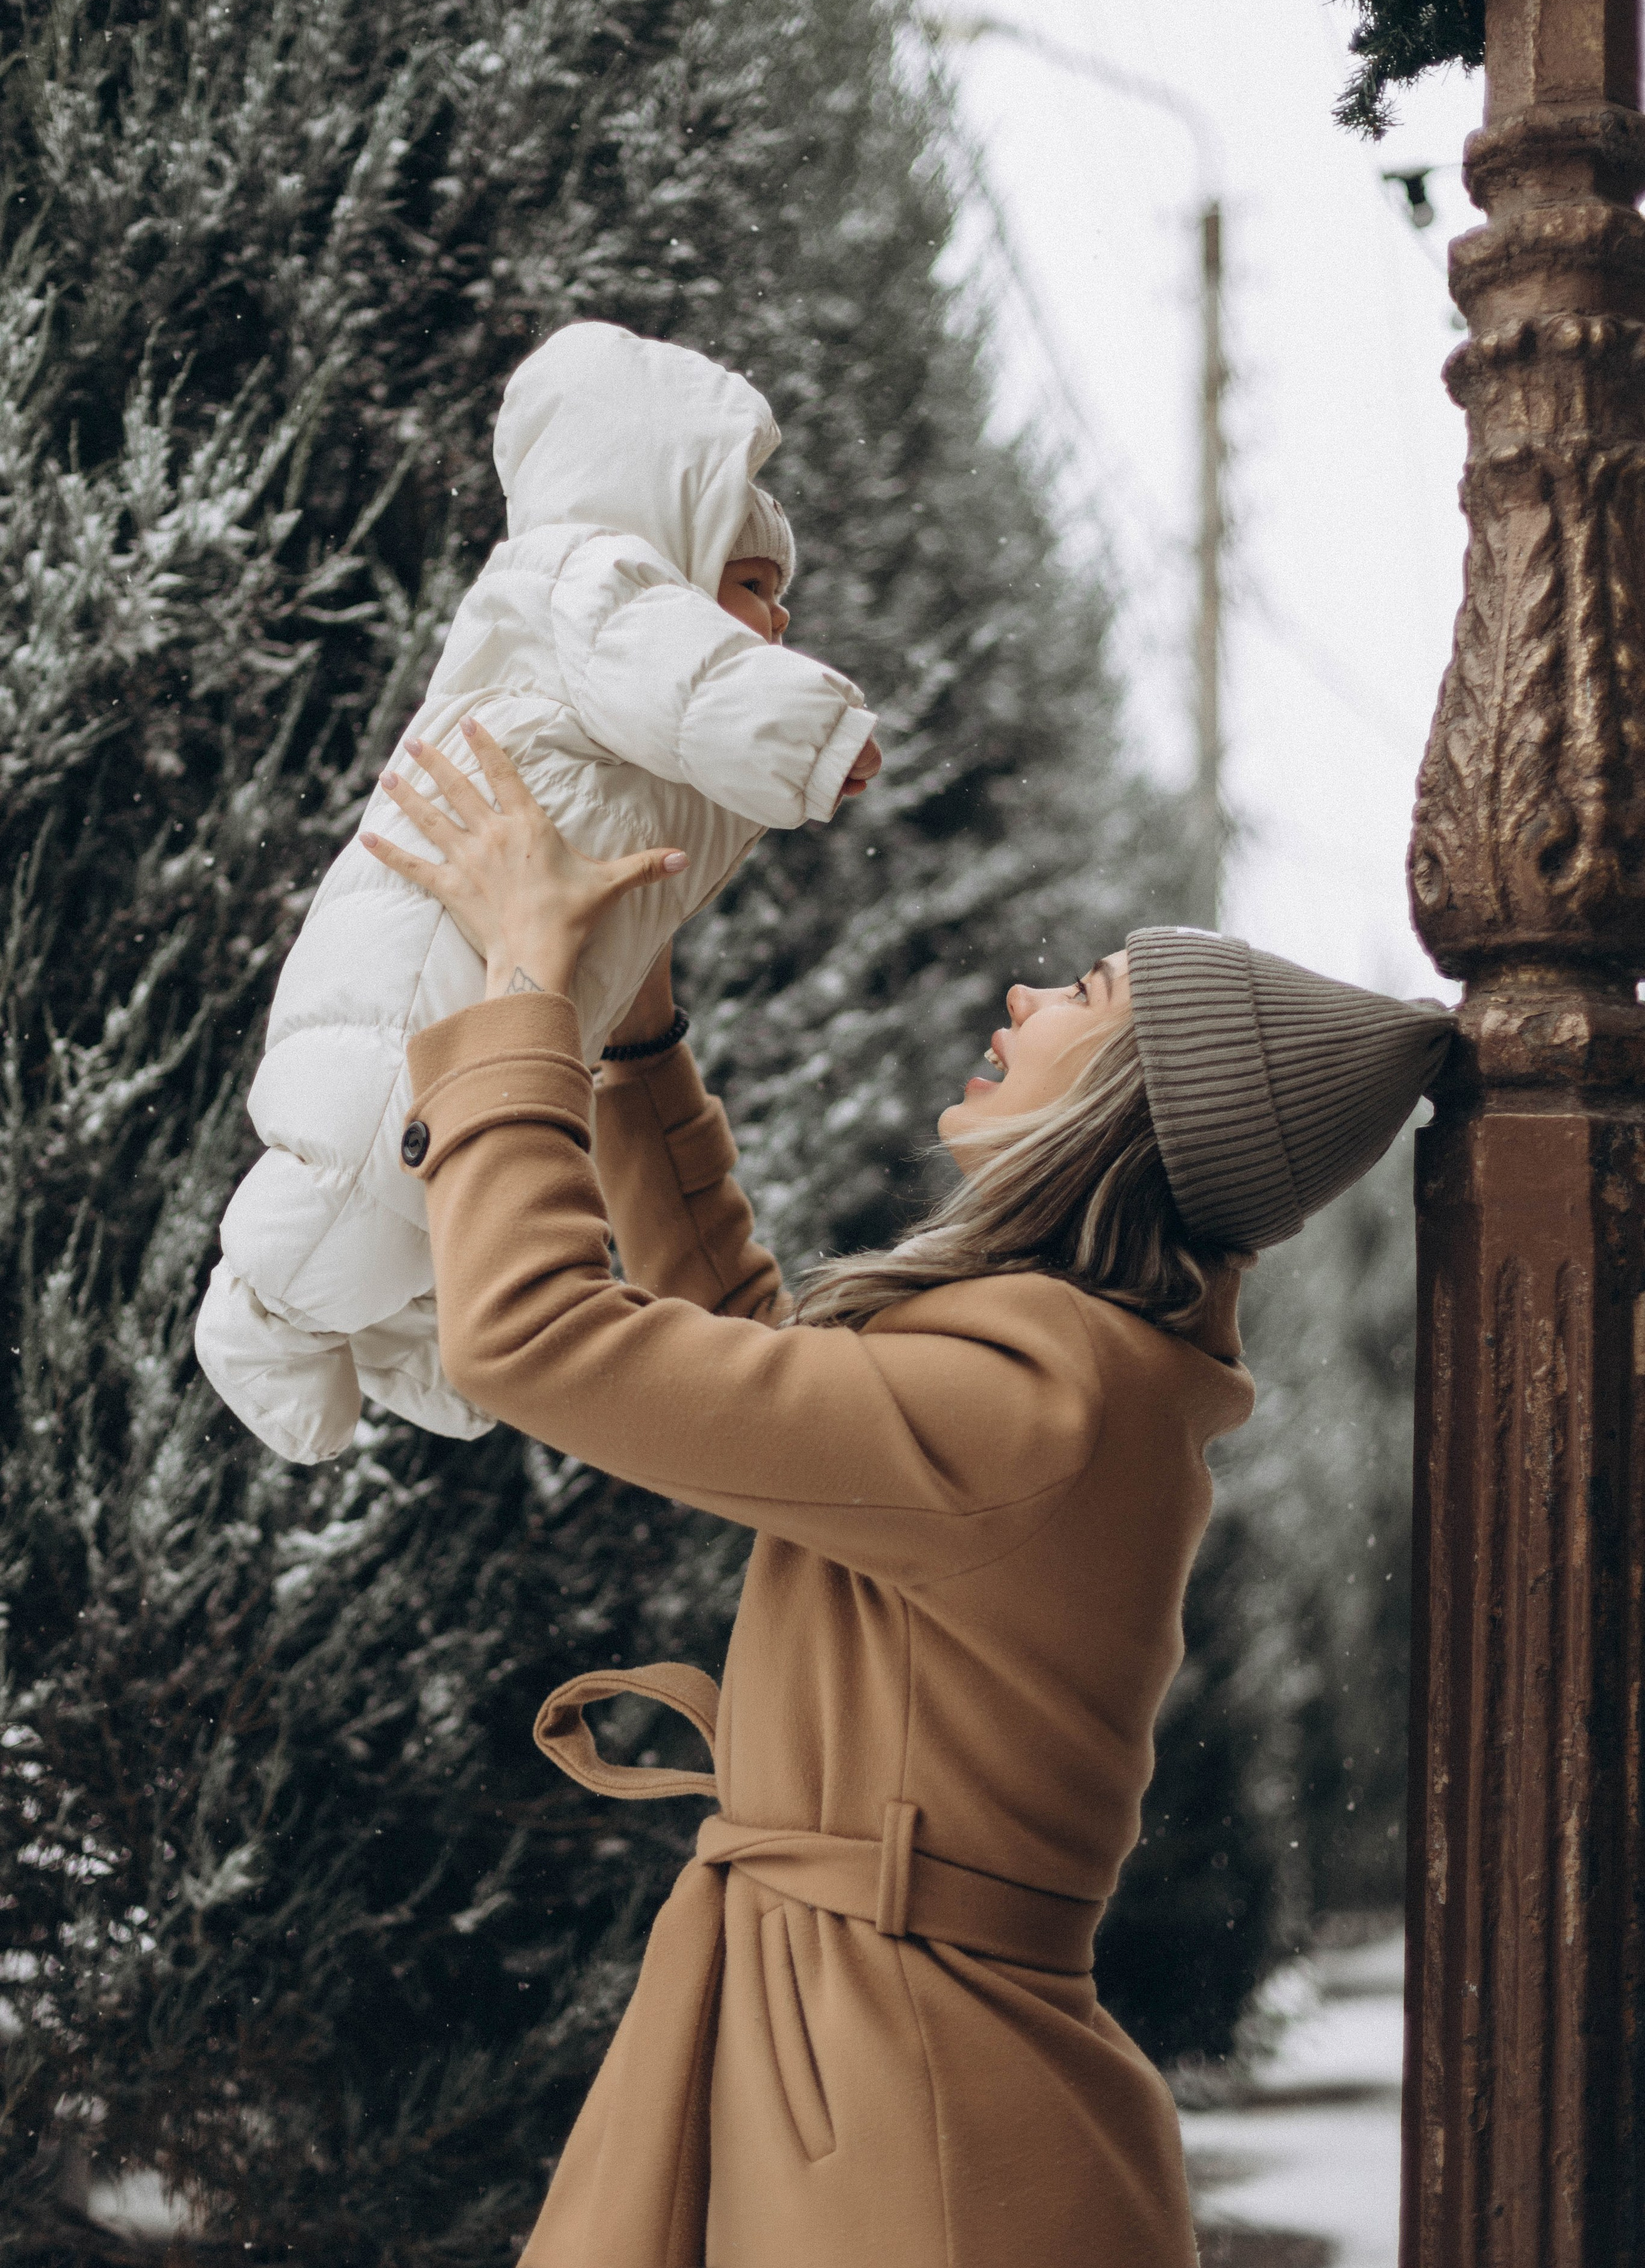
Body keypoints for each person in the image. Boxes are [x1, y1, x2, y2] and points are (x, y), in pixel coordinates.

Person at [365, 726, 1452, 2268]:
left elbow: (531, 1338)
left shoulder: (1034, 1407)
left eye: (1084, 997)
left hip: (904, 2130)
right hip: (873, 2077)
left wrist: (528, 992)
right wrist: (640, 1047)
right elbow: (749, 1373)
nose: (1025, 996)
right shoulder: (1057, 1384)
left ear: (1128, 1112)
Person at [194, 321, 881, 1467]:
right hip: (420, 964)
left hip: (508, 968)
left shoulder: (650, 728)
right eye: (755, 584)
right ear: (674, 540)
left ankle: (402, 1334)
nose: (781, 621)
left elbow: (700, 749)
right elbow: (700, 681)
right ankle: (258, 1309)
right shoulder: (589, 581)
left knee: (443, 1212)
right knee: (362, 1166)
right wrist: (812, 734)